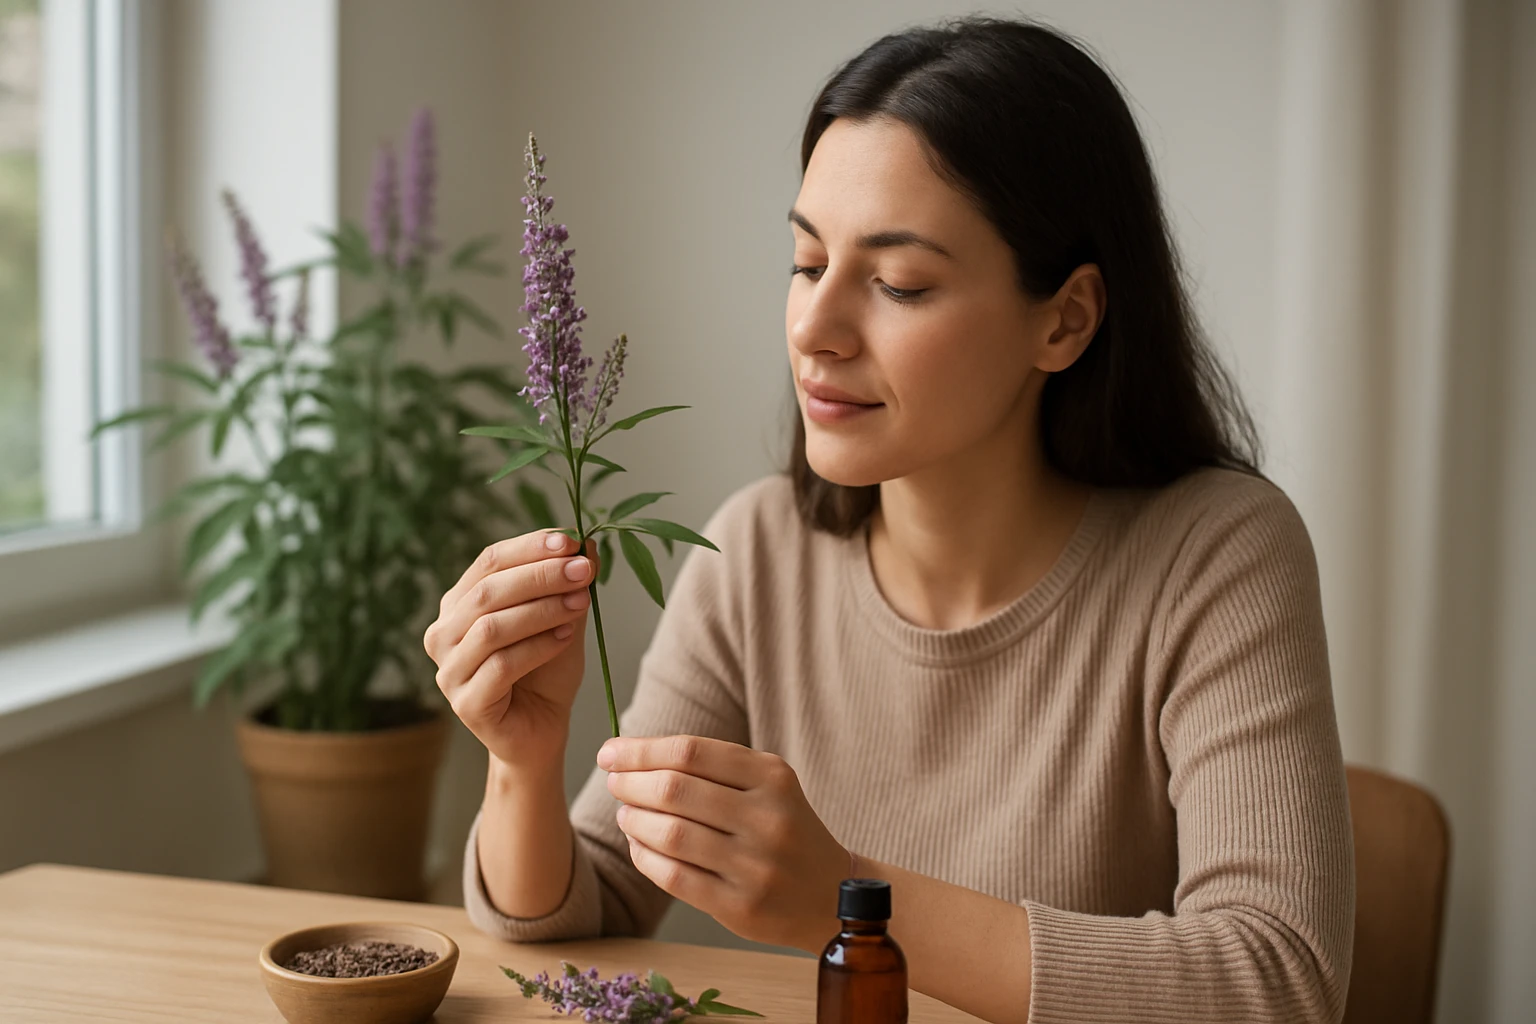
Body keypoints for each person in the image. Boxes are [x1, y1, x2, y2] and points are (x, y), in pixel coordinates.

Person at [424, 16, 1353, 1024]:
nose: (815, 329)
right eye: (806, 262)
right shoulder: (756, 552)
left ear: (1066, 319)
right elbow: (585, 912)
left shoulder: (1217, 553)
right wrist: (522, 761)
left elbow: (1275, 980)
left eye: (898, 283)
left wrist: (848, 899)